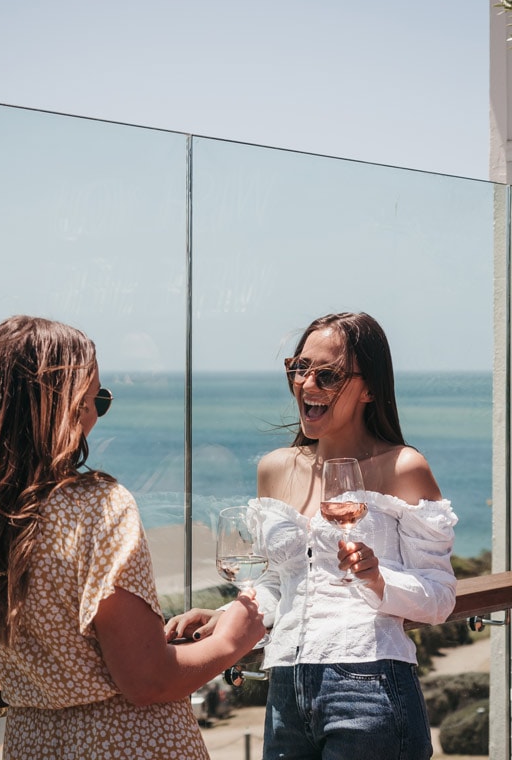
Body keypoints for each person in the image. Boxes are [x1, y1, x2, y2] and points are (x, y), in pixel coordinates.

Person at [0, 315, 265, 760]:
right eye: (94, 398)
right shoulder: (100, 507)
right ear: (61, 404)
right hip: (131, 743)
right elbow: (146, 680)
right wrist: (232, 640)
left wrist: (48, 683)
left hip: (32, 743)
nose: (97, 413)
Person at [165, 311, 458, 760]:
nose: (307, 383)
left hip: (371, 686)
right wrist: (226, 613)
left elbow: (440, 598)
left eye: (328, 374)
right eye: (299, 368)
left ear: (371, 388)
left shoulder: (403, 467)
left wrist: (378, 579)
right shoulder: (274, 468)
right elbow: (281, 583)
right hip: (286, 689)